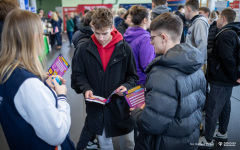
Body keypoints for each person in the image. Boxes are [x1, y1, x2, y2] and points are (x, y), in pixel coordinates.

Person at [0, 9, 75, 150]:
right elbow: (56, 134)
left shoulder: (6, 71)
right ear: (34, 37)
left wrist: (41, 81)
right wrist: (62, 96)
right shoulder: (28, 85)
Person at [130, 12, 206, 150]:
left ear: (163, 37)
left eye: (152, 37)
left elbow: (152, 123)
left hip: (163, 143)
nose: (151, 42)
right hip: (188, 139)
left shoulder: (162, 73)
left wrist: (136, 112)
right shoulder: (196, 64)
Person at [73, 8, 138, 150]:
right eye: (97, 33)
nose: (100, 38)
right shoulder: (84, 48)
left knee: (128, 144)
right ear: (91, 27)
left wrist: (126, 86)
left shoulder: (124, 48)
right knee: (105, 145)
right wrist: (86, 88)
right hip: (97, 107)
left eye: (105, 33)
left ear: (112, 27)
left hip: (121, 106)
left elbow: (133, 76)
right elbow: (79, 74)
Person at [199, 8, 240, 149]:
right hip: (226, 79)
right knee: (224, 106)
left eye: (218, 18)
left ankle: (208, 139)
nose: (216, 20)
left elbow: (227, 58)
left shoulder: (225, 34)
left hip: (222, 79)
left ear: (223, 18)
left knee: (212, 108)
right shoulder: (233, 32)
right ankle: (222, 132)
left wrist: (236, 76)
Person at [71, 10, 99, 149]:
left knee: (92, 115)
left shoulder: (80, 34)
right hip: (89, 84)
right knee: (92, 116)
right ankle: (83, 144)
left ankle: (89, 140)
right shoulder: (85, 41)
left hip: (87, 84)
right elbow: (79, 69)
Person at [124, 5, 155, 85]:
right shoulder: (145, 39)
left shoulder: (127, 34)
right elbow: (147, 65)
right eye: (150, 18)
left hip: (130, 81)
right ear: (145, 20)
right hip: (142, 82)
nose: (151, 20)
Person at [184, 0, 209, 73]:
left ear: (189, 9)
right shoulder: (194, 22)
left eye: (185, 10)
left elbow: (202, 44)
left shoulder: (199, 23)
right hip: (193, 62)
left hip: (196, 64)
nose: (184, 13)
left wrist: (194, 62)